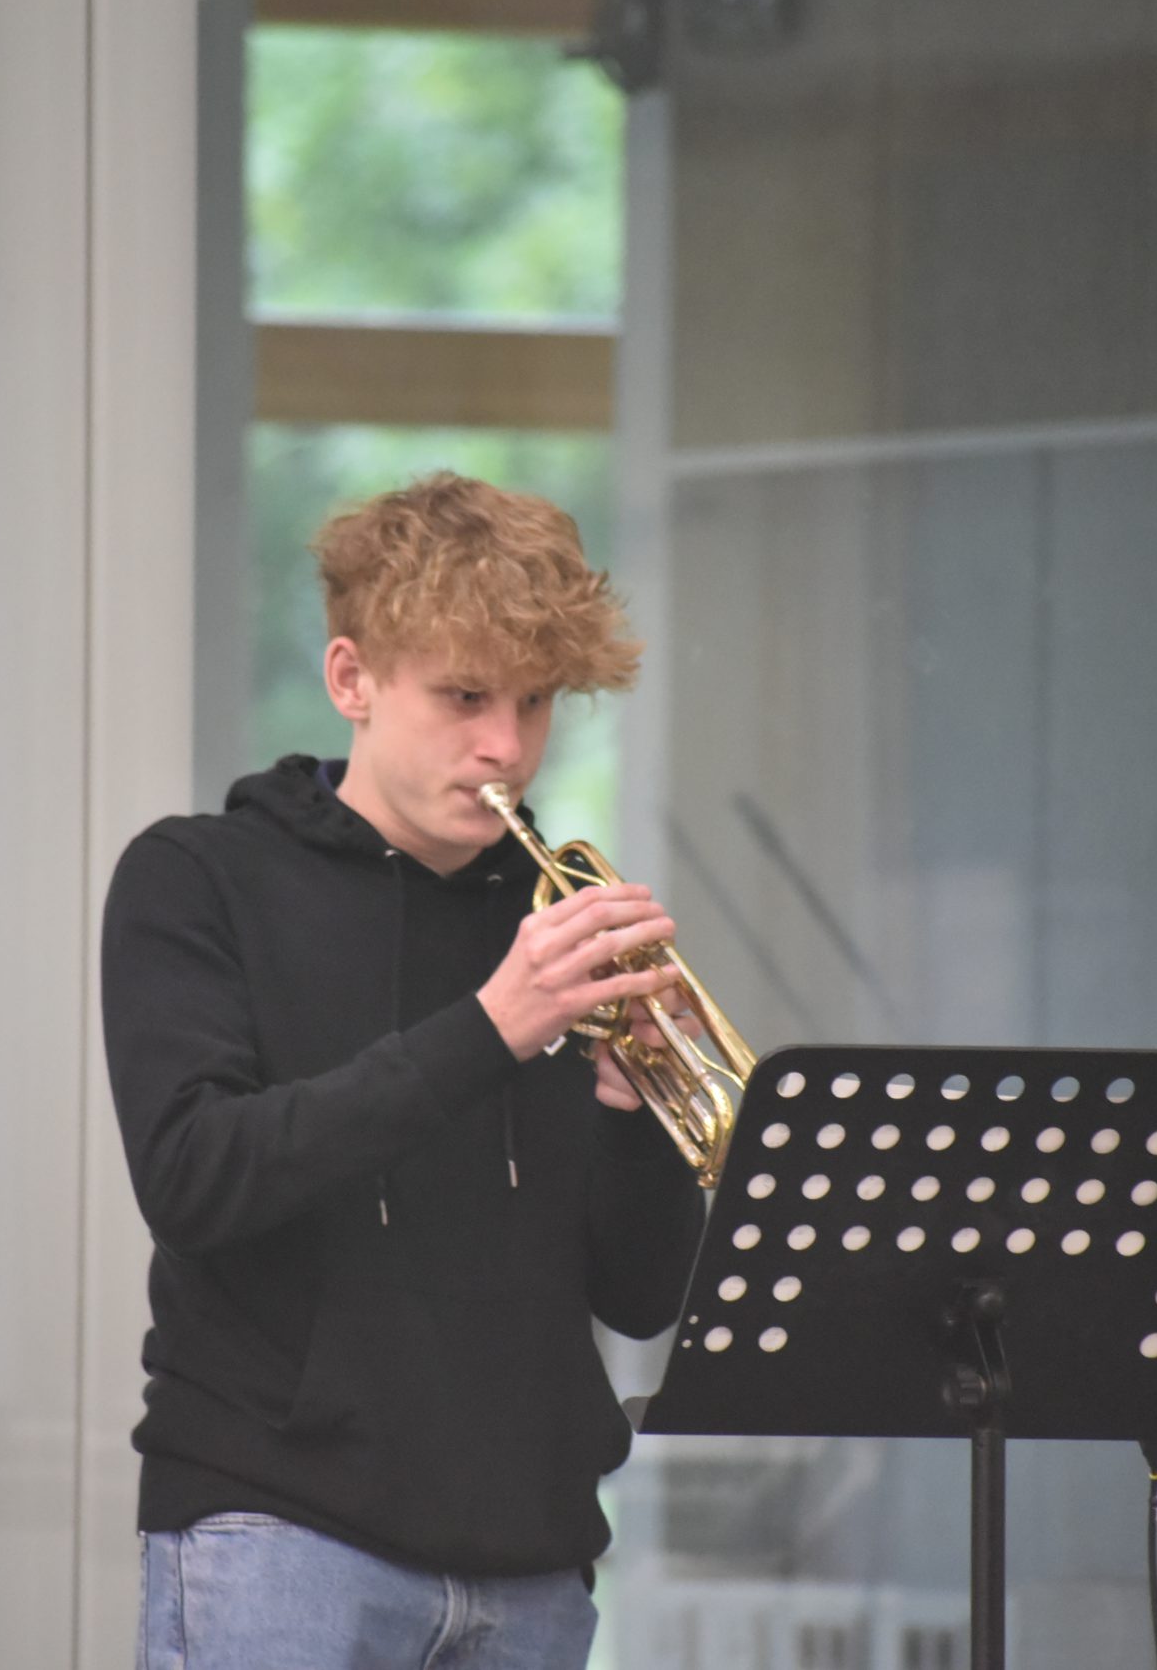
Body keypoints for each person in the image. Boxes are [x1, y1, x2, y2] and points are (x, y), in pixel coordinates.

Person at [102, 473, 709, 1669]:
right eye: (465, 696)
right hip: (278, 1534)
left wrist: (634, 1108)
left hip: (532, 1563)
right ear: (351, 680)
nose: (506, 747)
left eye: (535, 702)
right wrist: (490, 1027)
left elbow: (641, 1297)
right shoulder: (197, 878)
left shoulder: (552, 923)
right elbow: (192, 1177)